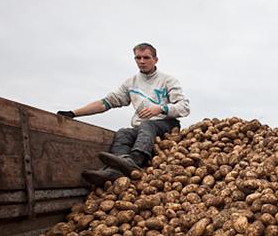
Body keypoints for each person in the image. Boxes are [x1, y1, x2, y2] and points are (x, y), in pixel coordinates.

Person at [58, 43, 190, 186]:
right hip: (142, 129)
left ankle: (135, 160)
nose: (142, 61)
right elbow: (107, 102)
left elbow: (184, 107)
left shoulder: (168, 80)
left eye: (146, 57)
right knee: (123, 133)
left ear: (155, 60)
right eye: (138, 58)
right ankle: (115, 170)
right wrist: (73, 113)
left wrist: (161, 108)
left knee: (147, 125)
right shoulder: (131, 83)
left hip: (166, 125)